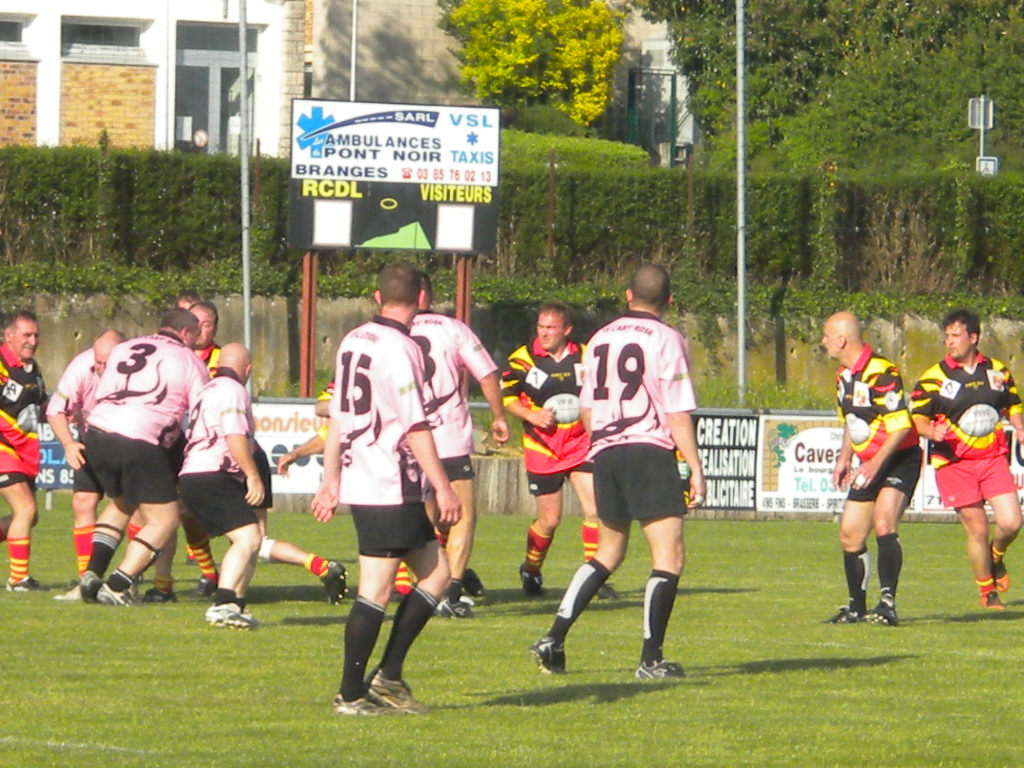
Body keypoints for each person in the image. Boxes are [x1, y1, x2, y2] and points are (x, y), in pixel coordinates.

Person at [530, 264, 705, 679]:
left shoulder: (600, 339)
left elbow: (587, 408)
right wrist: (695, 468)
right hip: (648, 450)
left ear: (628, 295)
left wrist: (605, 445)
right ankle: (650, 660)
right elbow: (677, 411)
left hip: (605, 451)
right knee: (669, 555)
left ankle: (553, 638)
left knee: (607, 552)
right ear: (669, 301)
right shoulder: (667, 338)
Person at [312, 262, 461, 716]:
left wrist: (330, 479)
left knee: (437, 575)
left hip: (367, 478)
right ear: (422, 299)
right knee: (375, 590)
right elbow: (415, 425)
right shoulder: (402, 347)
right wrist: (444, 487)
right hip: (389, 482)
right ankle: (351, 694)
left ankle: (389, 677)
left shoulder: (353, 340)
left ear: (377, 297)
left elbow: (338, 417)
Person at [78, 308, 210, 605]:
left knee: (121, 502)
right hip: (138, 437)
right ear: (185, 332)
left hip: (97, 431)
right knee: (165, 520)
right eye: (195, 336)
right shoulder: (188, 359)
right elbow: (202, 410)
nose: (195, 343)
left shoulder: (124, 347)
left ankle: (91, 573)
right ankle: (117, 585)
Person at [409, 272, 509, 617]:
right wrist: (498, 416)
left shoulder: (392, 332)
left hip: (408, 439)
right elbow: (487, 374)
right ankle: (449, 591)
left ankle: (427, 587)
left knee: (426, 518)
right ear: (427, 295)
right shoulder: (452, 329)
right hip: (448, 437)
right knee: (462, 515)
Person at [910, 308, 1024, 610]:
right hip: (954, 463)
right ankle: (988, 593)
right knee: (978, 529)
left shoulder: (997, 371)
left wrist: (1019, 426)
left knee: (1012, 522)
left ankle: (996, 555)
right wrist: (930, 431)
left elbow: (1012, 403)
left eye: (956, 335)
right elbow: (917, 418)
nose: (949, 341)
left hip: (992, 457)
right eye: (946, 336)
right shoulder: (933, 378)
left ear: (973, 337)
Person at [503, 302, 610, 597]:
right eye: (541, 327)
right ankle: (531, 568)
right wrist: (531, 415)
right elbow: (508, 397)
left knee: (595, 510)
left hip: (579, 444)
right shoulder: (522, 359)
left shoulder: (587, 356)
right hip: (543, 448)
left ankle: (593, 578)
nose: (544, 332)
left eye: (551, 327)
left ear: (567, 330)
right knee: (550, 520)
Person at [821, 312, 921, 626]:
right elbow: (852, 422)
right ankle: (856, 608)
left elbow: (900, 426)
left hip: (899, 458)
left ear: (841, 340)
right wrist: (844, 457)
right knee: (849, 534)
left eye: (826, 336)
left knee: (883, 522)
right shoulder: (843, 376)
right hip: (869, 463)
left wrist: (875, 463)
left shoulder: (882, 372)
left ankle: (887, 604)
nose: (823, 342)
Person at [178, 343, 265, 628]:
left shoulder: (207, 390)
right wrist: (252, 475)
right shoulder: (233, 390)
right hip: (212, 473)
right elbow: (234, 435)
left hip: (192, 472)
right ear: (248, 369)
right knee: (248, 538)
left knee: (248, 539)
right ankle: (223, 602)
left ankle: (236, 605)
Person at [45, 329, 126, 600]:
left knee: (133, 509)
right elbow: (55, 410)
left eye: (106, 363)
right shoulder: (81, 366)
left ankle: (132, 579)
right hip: (90, 439)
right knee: (82, 501)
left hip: (129, 442)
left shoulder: (137, 372)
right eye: (98, 362)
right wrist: (69, 444)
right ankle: (85, 581)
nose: (100, 368)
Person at [0, 311, 47, 591]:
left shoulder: (33, 369)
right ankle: (18, 579)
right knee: (25, 508)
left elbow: (39, 406)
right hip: (3, 447)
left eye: (36, 335)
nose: (33, 340)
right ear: (9, 336)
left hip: (23, 450)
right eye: (26, 335)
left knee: (30, 516)